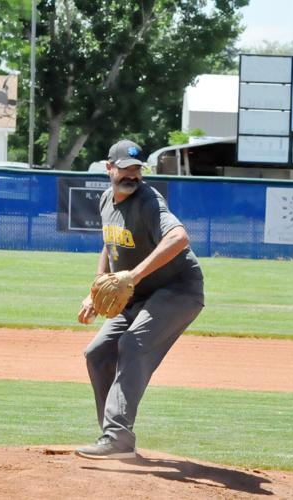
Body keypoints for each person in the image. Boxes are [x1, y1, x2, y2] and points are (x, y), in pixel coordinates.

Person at [75, 139, 204, 459]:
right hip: (139, 294)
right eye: (124, 170)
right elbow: (109, 242)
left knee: (132, 345)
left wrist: (132, 276)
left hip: (178, 290)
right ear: (109, 169)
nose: (131, 176)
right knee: (98, 353)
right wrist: (96, 289)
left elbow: (179, 237)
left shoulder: (148, 201)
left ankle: (117, 435)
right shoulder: (107, 200)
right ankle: (113, 436)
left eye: (137, 170)